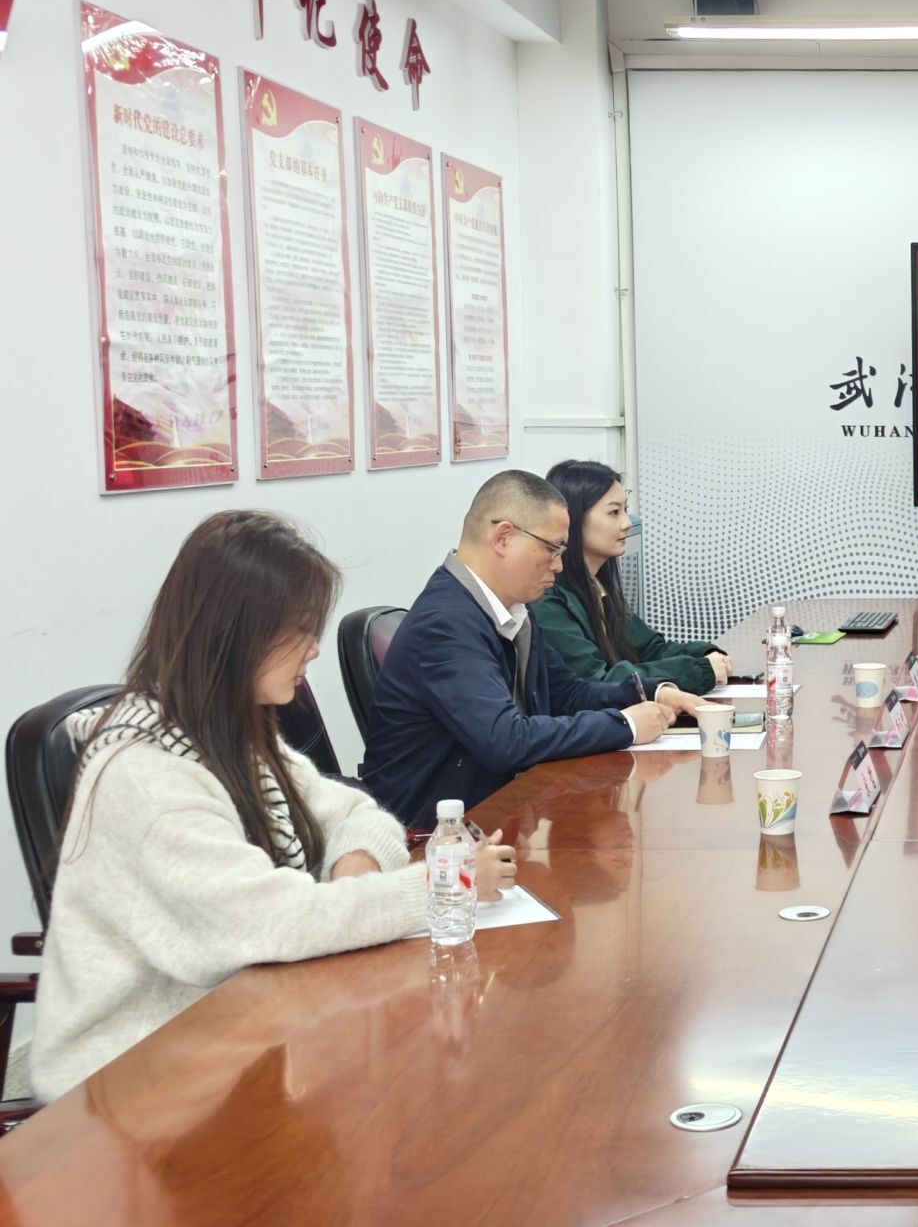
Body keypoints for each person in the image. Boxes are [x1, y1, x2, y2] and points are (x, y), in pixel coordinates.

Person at [30, 511, 517, 1100]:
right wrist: (445, 884)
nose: (313, 651)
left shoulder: (225, 734)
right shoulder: (147, 778)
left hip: (240, 1033)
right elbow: (275, 923)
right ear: (238, 634)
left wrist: (354, 865)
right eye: (301, 631)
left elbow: (354, 811)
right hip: (133, 1081)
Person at [363, 469, 695, 828]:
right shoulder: (445, 624)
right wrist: (626, 725)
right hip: (433, 839)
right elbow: (505, 740)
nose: (559, 564)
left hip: (499, 815)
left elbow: (568, 695)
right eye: (552, 548)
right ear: (503, 538)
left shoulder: (512, 609)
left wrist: (650, 693)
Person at [531, 459, 732, 695]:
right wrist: (699, 670)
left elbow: (649, 648)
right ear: (572, 519)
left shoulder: (597, 586)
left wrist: (704, 654)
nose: (627, 523)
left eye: (625, 511)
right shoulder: (548, 599)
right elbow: (599, 680)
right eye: (614, 512)